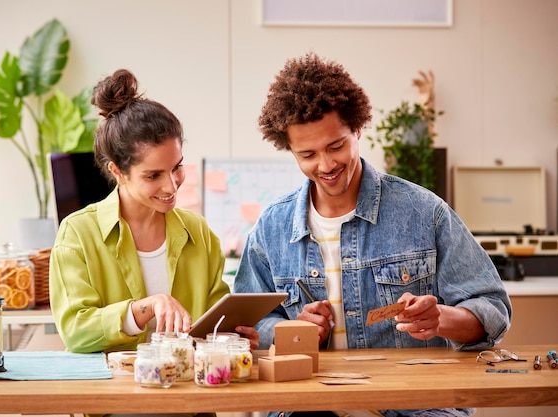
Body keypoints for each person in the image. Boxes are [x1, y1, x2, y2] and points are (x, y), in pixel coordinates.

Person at [233, 53, 511, 417]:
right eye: (307, 154)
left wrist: (440, 318)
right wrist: (289, 330)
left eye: (336, 146)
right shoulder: (272, 228)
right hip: (308, 407)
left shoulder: (425, 212)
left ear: (358, 129)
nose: (326, 165)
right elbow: (246, 325)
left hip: (414, 407)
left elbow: (493, 310)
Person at [49, 68, 259, 358]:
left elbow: (216, 320)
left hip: (189, 399)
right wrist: (146, 307)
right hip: (115, 400)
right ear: (118, 172)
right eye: (153, 176)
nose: (171, 185)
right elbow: (76, 331)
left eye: (177, 167)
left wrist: (233, 335)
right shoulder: (78, 233)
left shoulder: (198, 232)